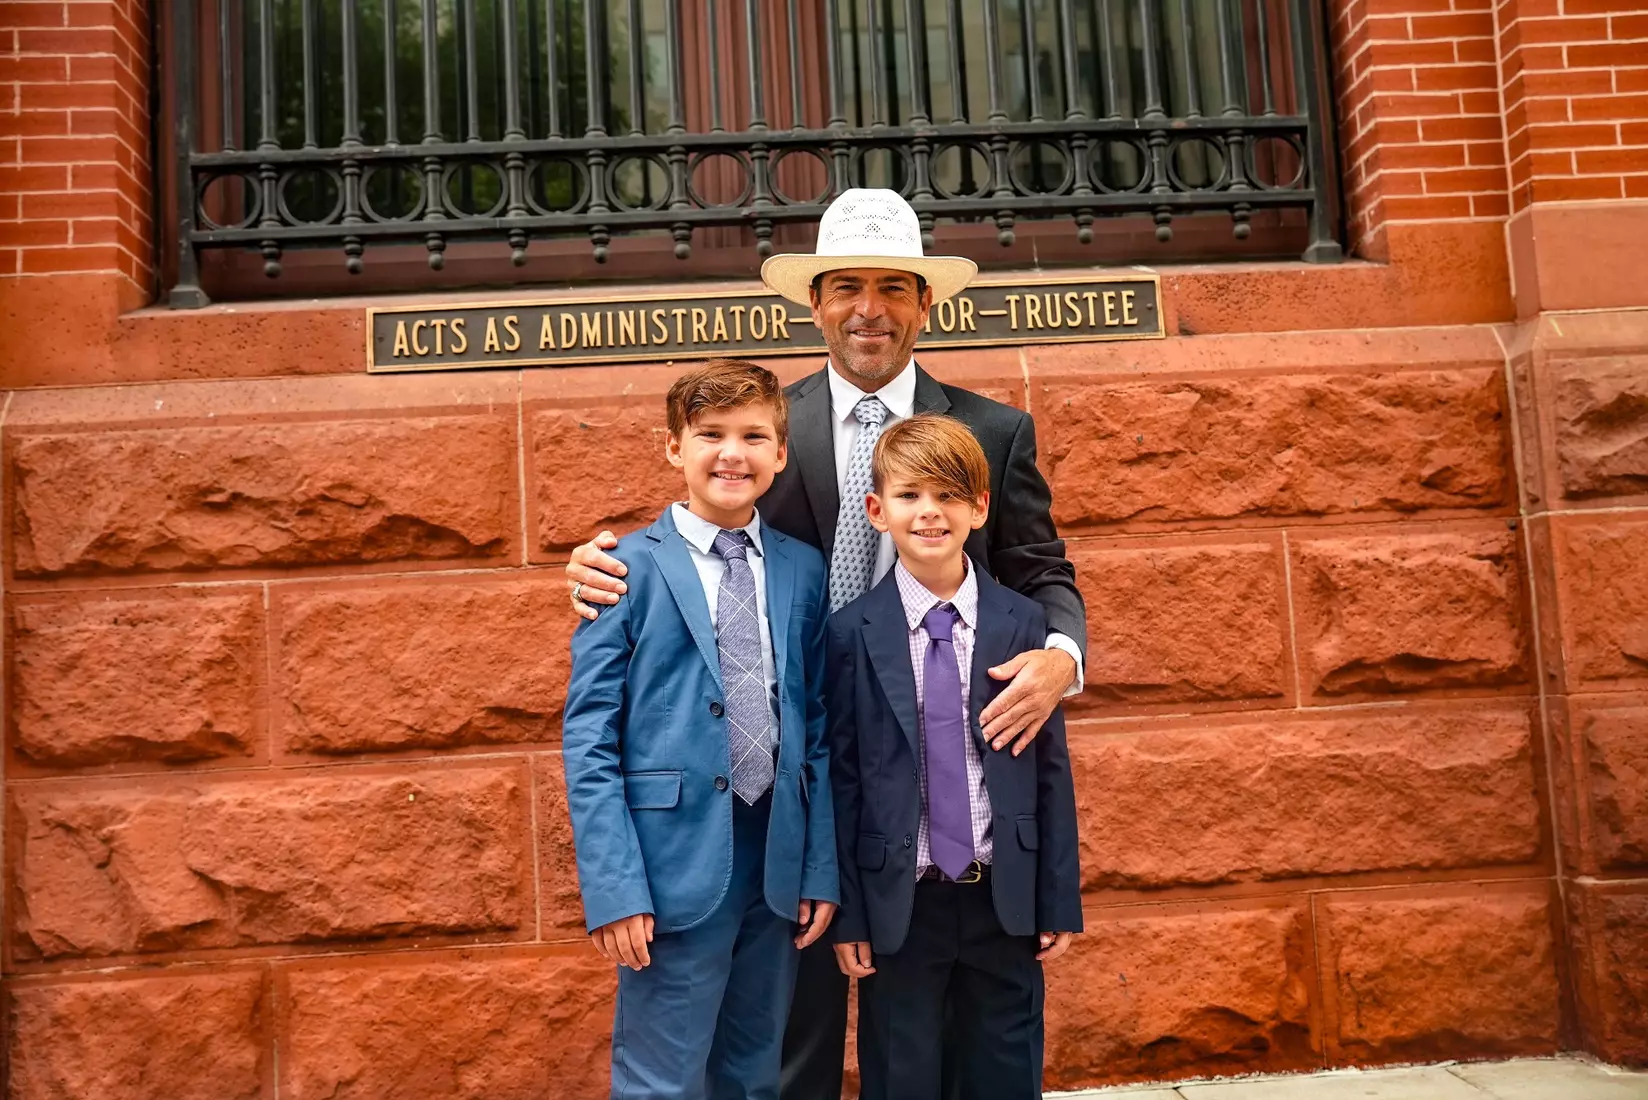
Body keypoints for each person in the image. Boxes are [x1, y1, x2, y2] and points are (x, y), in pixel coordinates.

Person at [565, 188, 1088, 1100]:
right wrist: (593, 564)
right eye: (846, 285)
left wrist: (1060, 657)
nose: (869, 309)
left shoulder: (992, 432)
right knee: (784, 1031)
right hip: (798, 771)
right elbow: (699, 535)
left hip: (931, 771)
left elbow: (1043, 569)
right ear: (815, 302)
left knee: (932, 1029)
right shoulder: (765, 426)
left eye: (894, 287)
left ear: (927, 303)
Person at [561, 359, 838, 1100]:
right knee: (663, 1080)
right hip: (669, 869)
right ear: (673, 448)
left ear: (780, 454)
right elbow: (589, 740)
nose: (731, 453)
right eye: (709, 434)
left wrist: (816, 865)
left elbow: (811, 728)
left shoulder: (802, 570)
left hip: (773, 862)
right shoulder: (622, 571)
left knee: (754, 1073)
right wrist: (615, 887)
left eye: (753, 436)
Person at [827, 413, 1082, 1100]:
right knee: (901, 1075)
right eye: (909, 496)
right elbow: (844, 784)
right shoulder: (850, 633)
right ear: (878, 511)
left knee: (1004, 1070)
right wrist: (849, 912)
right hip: (901, 905)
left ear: (979, 508)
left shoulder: (1023, 625)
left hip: (1004, 898)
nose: (929, 512)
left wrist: (1058, 897)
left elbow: (1048, 772)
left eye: (947, 496)